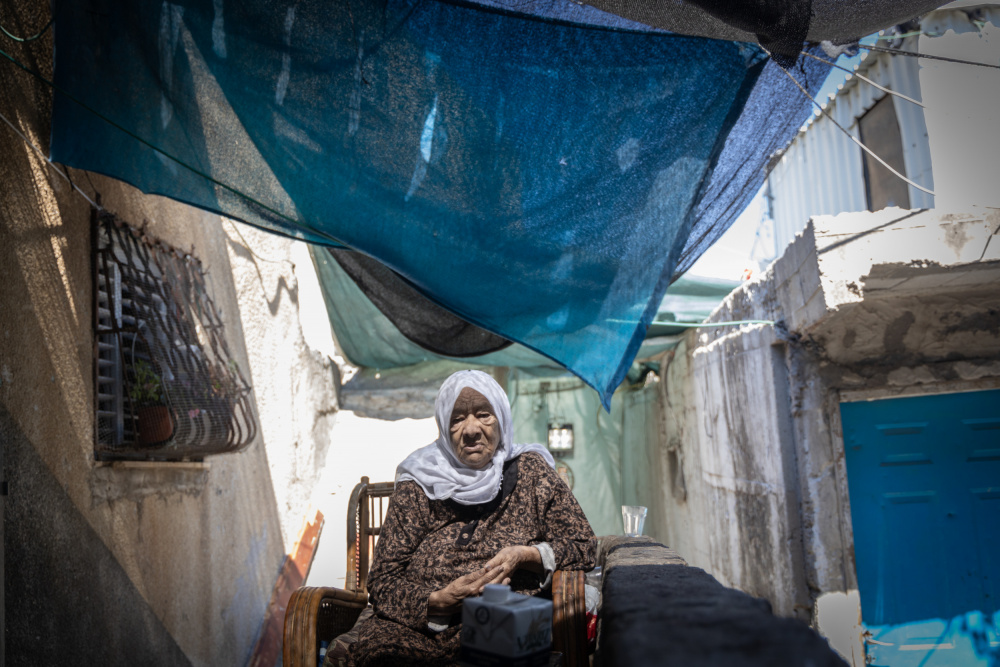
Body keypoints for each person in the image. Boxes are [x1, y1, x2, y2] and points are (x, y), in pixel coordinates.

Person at [346, 370, 596, 667]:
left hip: (500, 622)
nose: (471, 429)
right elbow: (382, 580)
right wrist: (437, 601)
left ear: (501, 419)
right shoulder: (419, 480)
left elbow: (584, 546)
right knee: (382, 658)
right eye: (457, 418)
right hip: (413, 629)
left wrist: (525, 555)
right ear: (443, 425)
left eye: (483, 414)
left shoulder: (531, 472)